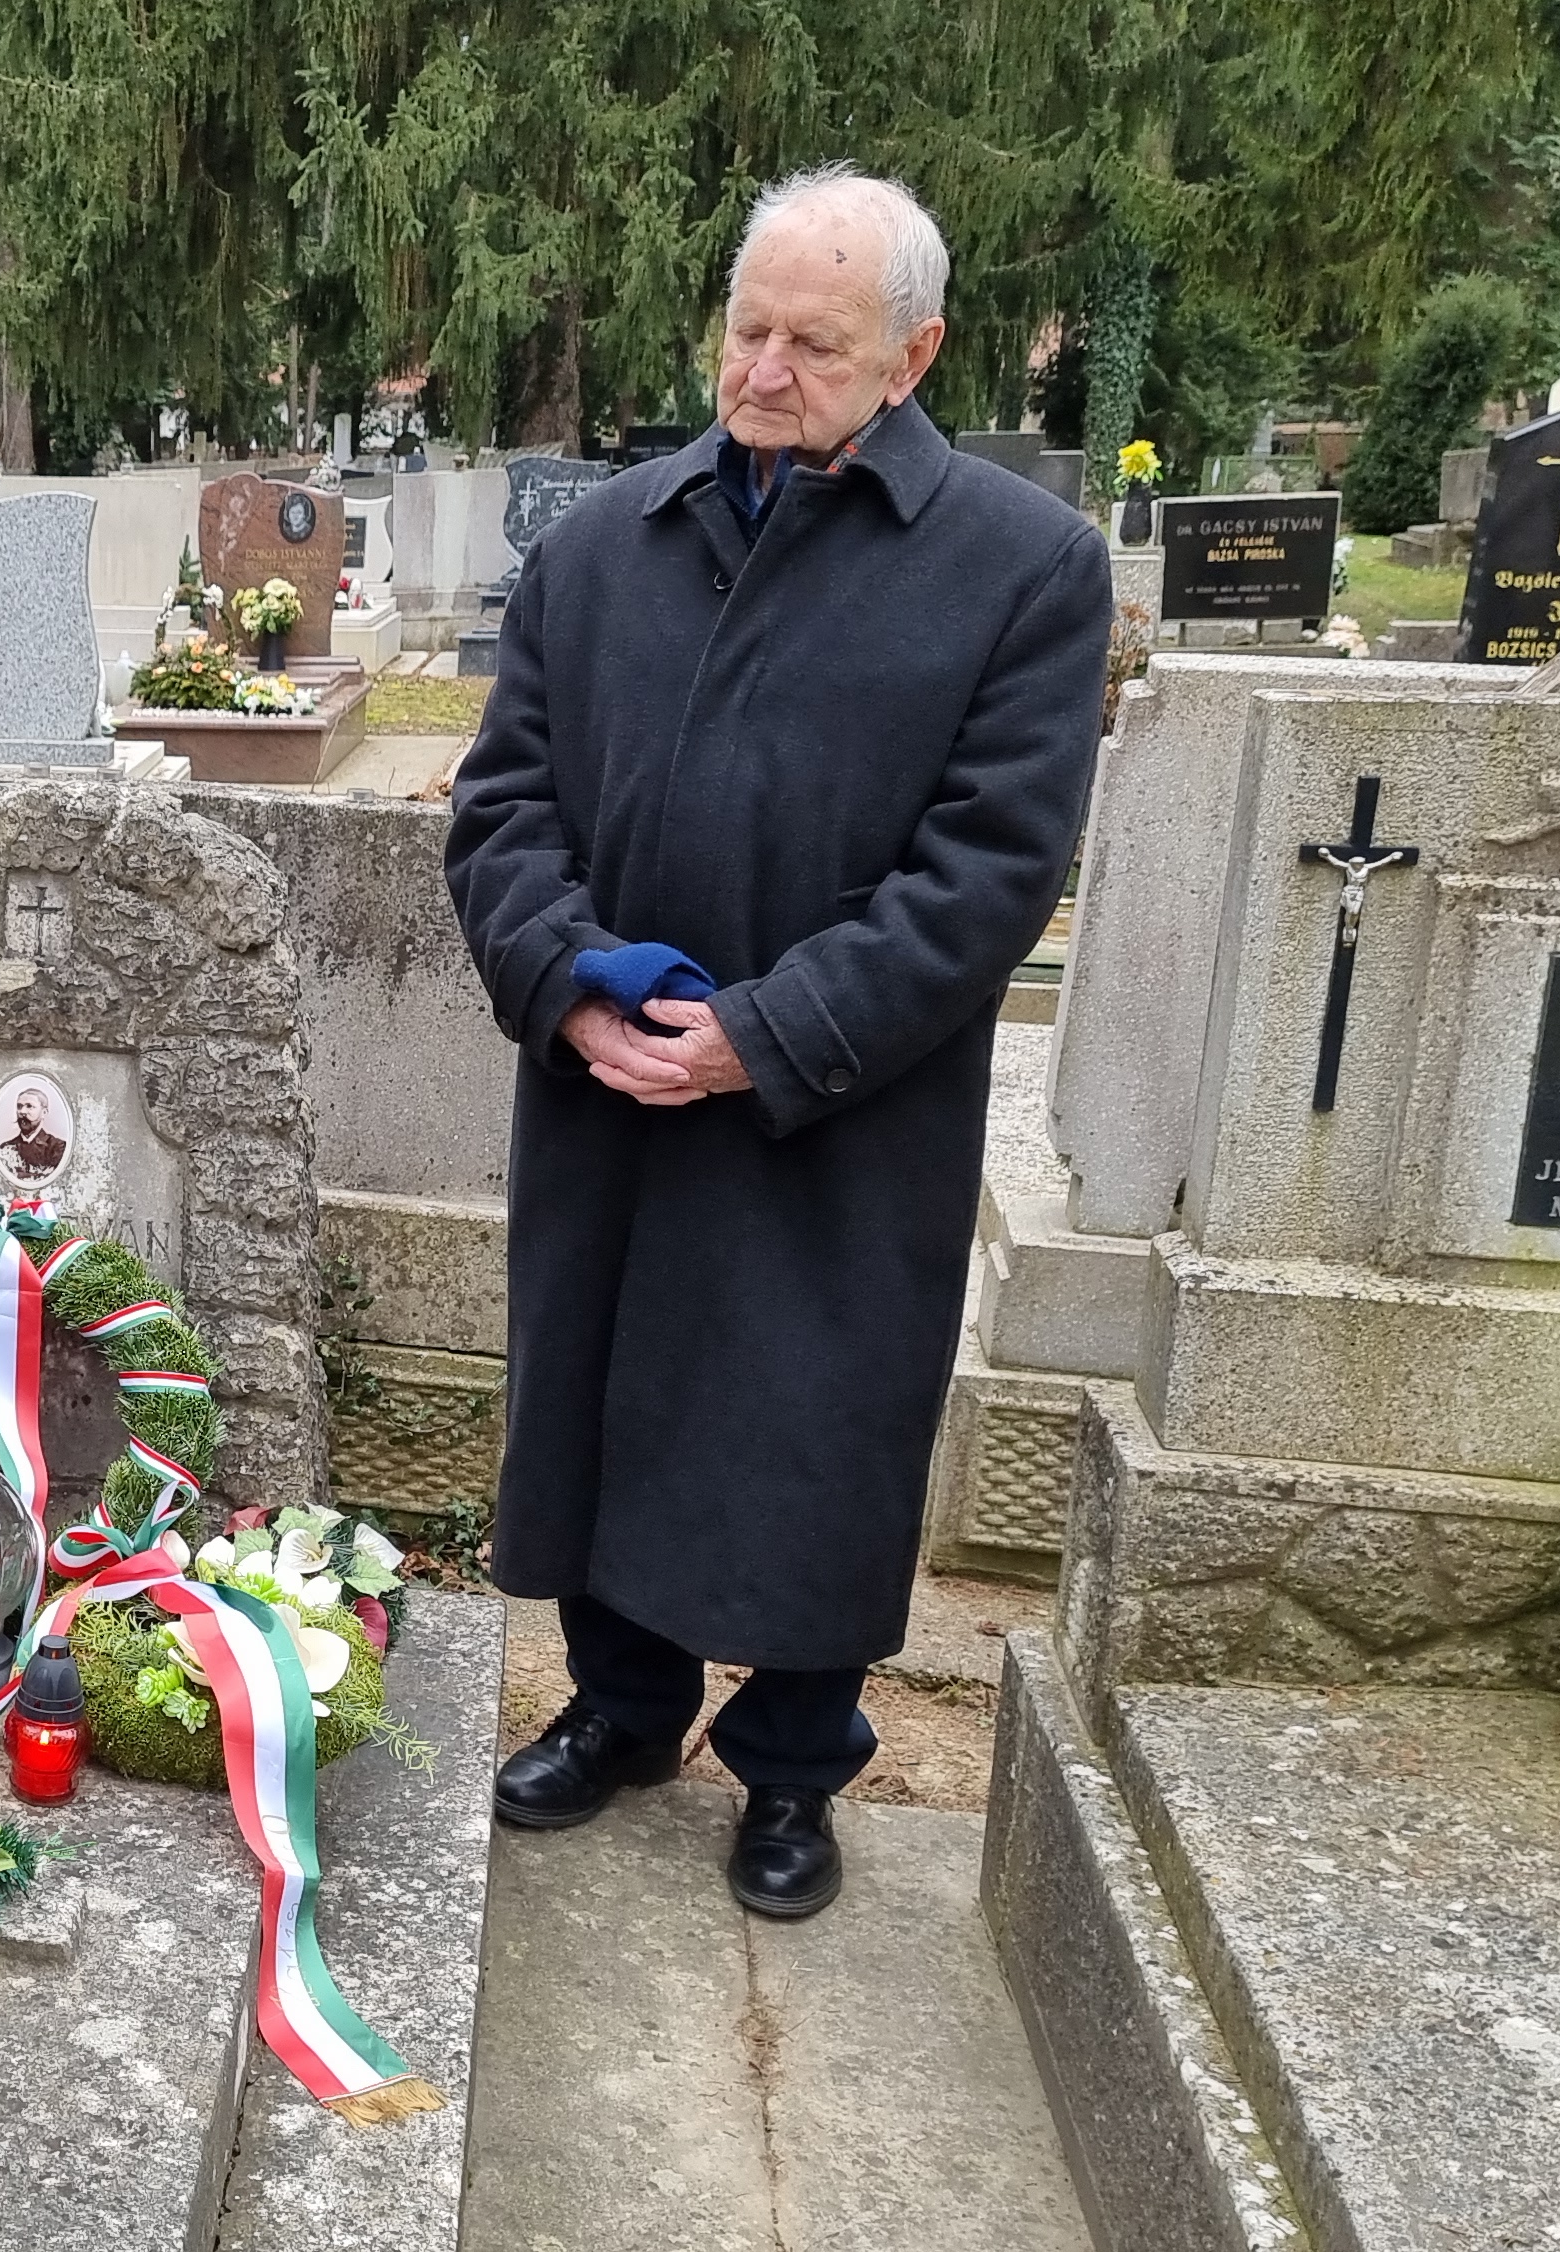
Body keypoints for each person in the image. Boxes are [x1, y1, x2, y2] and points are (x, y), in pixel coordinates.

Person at [442, 165, 1107, 1917]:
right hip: (611, 1084)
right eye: (748, 330)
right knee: (607, 1394)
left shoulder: (1021, 566)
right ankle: (622, 1706)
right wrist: (567, 980)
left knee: (817, 1425)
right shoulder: (606, 543)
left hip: (841, 1111)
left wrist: (764, 1035)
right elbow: (503, 805)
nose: (764, 372)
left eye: (816, 344)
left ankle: (796, 1762)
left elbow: (989, 871)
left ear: (914, 355)